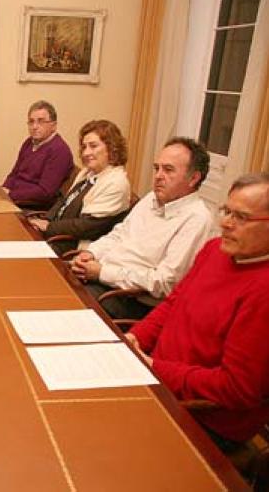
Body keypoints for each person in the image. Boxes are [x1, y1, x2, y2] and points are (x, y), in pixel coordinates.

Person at [125, 173, 269, 447]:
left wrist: (155, 367)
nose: (225, 223)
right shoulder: (215, 249)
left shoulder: (264, 291)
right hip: (157, 379)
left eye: (241, 217)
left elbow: (236, 388)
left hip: (202, 417)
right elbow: (173, 303)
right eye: (227, 211)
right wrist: (135, 337)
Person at [71, 137, 214, 319]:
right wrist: (91, 253)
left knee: (63, 309)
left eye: (168, 170)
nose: (158, 176)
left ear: (194, 178)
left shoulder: (197, 219)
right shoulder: (151, 198)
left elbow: (163, 283)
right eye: (157, 168)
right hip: (102, 278)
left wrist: (102, 273)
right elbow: (118, 235)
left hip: (131, 300)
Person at [28, 119, 131, 255]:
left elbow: (88, 226)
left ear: (112, 148)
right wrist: (46, 219)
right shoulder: (88, 173)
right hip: (54, 234)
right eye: (84, 147)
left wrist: (49, 227)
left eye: (93, 146)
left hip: (71, 246)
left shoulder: (116, 183)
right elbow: (64, 201)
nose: (86, 153)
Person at [2, 100, 74, 208]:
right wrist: (3, 190)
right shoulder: (29, 142)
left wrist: (10, 195)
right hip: (13, 199)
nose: (34, 126)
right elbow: (15, 173)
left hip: (31, 206)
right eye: (31, 122)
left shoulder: (60, 150)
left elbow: (45, 192)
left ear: (53, 125)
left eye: (41, 121)